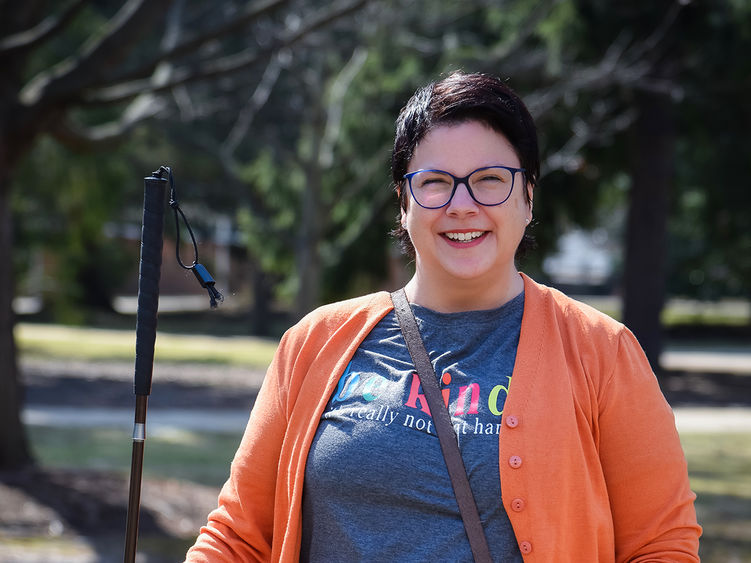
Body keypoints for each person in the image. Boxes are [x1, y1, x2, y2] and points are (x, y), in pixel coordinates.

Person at [186, 71, 701, 562]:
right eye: (435, 182)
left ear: (527, 197)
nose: (462, 205)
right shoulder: (316, 341)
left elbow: (661, 547)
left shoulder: (602, 351)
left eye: (490, 179)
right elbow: (237, 537)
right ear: (403, 202)